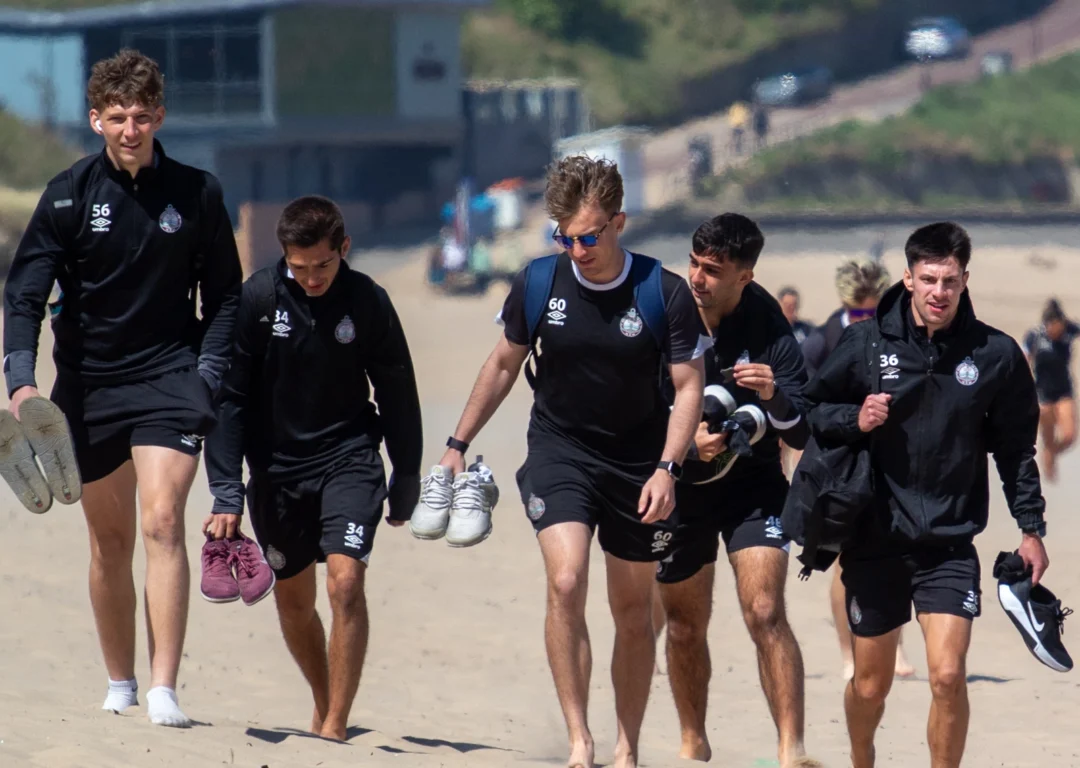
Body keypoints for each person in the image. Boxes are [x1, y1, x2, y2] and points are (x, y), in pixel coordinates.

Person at [415, 155, 707, 768]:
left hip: (639, 464)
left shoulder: (662, 292)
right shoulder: (539, 282)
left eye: (590, 236)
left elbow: (688, 387)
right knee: (567, 579)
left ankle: (627, 745)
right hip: (560, 450)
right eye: (565, 237)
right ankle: (580, 741)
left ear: (619, 222)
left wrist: (668, 468)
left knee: (632, 610)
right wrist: (456, 444)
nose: (577, 249)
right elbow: (502, 365)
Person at [2, 49, 242, 727]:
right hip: (89, 382)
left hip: (171, 376)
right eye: (116, 117)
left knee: (163, 519)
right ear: (95, 120)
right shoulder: (68, 195)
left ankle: (165, 687)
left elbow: (226, 296)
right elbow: (25, 297)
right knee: (109, 543)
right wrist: (22, 383)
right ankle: (122, 680)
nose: (130, 129)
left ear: (160, 116)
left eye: (141, 116)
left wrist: (210, 372)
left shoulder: (198, 193)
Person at [805, 222, 1050, 768]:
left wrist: (1030, 530)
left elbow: (1015, 452)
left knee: (946, 674)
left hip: (948, 543)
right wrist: (856, 416)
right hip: (874, 539)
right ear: (908, 279)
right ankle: (861, 756)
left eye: (951, 280)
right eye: (929, 279)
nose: (940, 291)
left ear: (965, 280)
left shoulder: (995, 355)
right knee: (871, 687)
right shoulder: (866, 344)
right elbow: (814, 412)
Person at [202, 196, 422, 741]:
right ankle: (325, 702)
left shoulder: (368, 302)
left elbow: (397, 389)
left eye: (322, 265)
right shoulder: (257, 299)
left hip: (348, 458)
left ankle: (336, 726)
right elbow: (228, 401)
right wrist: (226, 490)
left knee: (345, 583)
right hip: (276, 472)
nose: (311, 278)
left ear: (343, 249)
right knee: (294, 603)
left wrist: (407, 474)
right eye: (298, 267)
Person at [655, 214, 819, 768]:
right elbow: (627, 409)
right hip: (679, 487)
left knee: (766, 609)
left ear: (744, 277)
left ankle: (790, 751)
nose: (697, 278)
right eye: (694, 263)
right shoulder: (664, 310)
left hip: (752, 485)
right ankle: (693, 740)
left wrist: (772, 396)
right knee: (682, 623)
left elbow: (802, 429)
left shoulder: (768, 323)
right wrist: (679, 446)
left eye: (712, 270)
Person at [800, 260, 915, 680]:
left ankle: (896, 650)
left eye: (875, 310)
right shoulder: (824, 338)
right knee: (844, 557)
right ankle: (848, 656)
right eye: (862, 312)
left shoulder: (899, 332)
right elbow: (808, 405)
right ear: (848, 304)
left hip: (889, 458)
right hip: (840, 460)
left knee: (897, 553)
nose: (869, 318)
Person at [1023, 299, 1078, 483]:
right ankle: (1048, 459)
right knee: (1048, 435)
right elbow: (1024, 358)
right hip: (1042, 392)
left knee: (1069, 436)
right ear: (1047, 324)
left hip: (1064, 390)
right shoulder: (1035, 335)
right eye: (1053, 326)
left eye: (1059, 326)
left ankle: (1051, 454)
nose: (1056, 330)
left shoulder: (1069, 330)